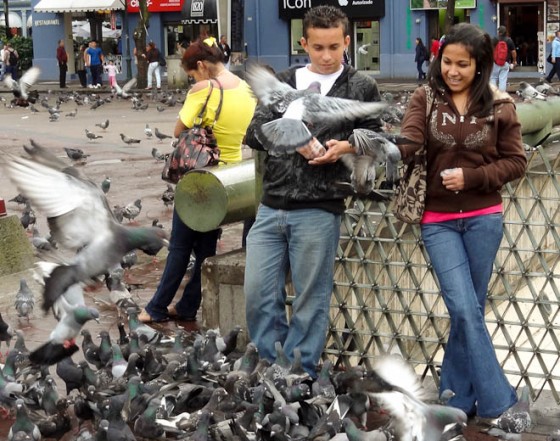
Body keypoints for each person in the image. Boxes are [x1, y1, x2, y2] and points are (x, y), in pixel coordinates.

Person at [243, 5, 382, 378]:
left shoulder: (361, 86)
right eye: (317, 47)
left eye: (334, 47)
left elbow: (378, 138)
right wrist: (292, 141)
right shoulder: (285, 81)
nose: (325, 56)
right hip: (271, 205)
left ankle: (297, 375)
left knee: (309, 298)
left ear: (347, 42)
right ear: (303, 42)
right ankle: (270, 372)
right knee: (258, 294)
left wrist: (347, 147)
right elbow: (254, 134)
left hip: (320, 208)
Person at [398, 23, 526, 418]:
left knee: (467, 308)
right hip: (437, 220)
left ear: (480, 66)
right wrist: (392, 145)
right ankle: (499, 401)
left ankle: (455, 398)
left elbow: (517, 161)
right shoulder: (425, 97)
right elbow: (410, 138)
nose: (452, 71)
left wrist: (472, 177)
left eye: (463, 65)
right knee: (465, 307)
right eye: (447, 62)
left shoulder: (500, 104)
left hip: (484, 217)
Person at [138, 40, 256, 325]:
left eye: (192, 74)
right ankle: (189, 305)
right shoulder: (246, 88)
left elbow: (179, 130)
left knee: (179, 245)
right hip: (231, 178)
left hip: (201, 179)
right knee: (205, 247)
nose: (193, 79)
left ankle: (156, 307)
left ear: (201, 66)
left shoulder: (204, 88)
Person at [490, 25, 516, 91]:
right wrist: (514, 61)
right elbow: (513, 52)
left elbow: (490, 50)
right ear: (506, 32)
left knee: (493, 78)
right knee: (503, 80)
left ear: (499, 32)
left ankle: (494, 95)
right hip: (505, 63)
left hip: (495, 63)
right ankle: (502, 96)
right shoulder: (509, 40)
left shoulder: (494, 39)